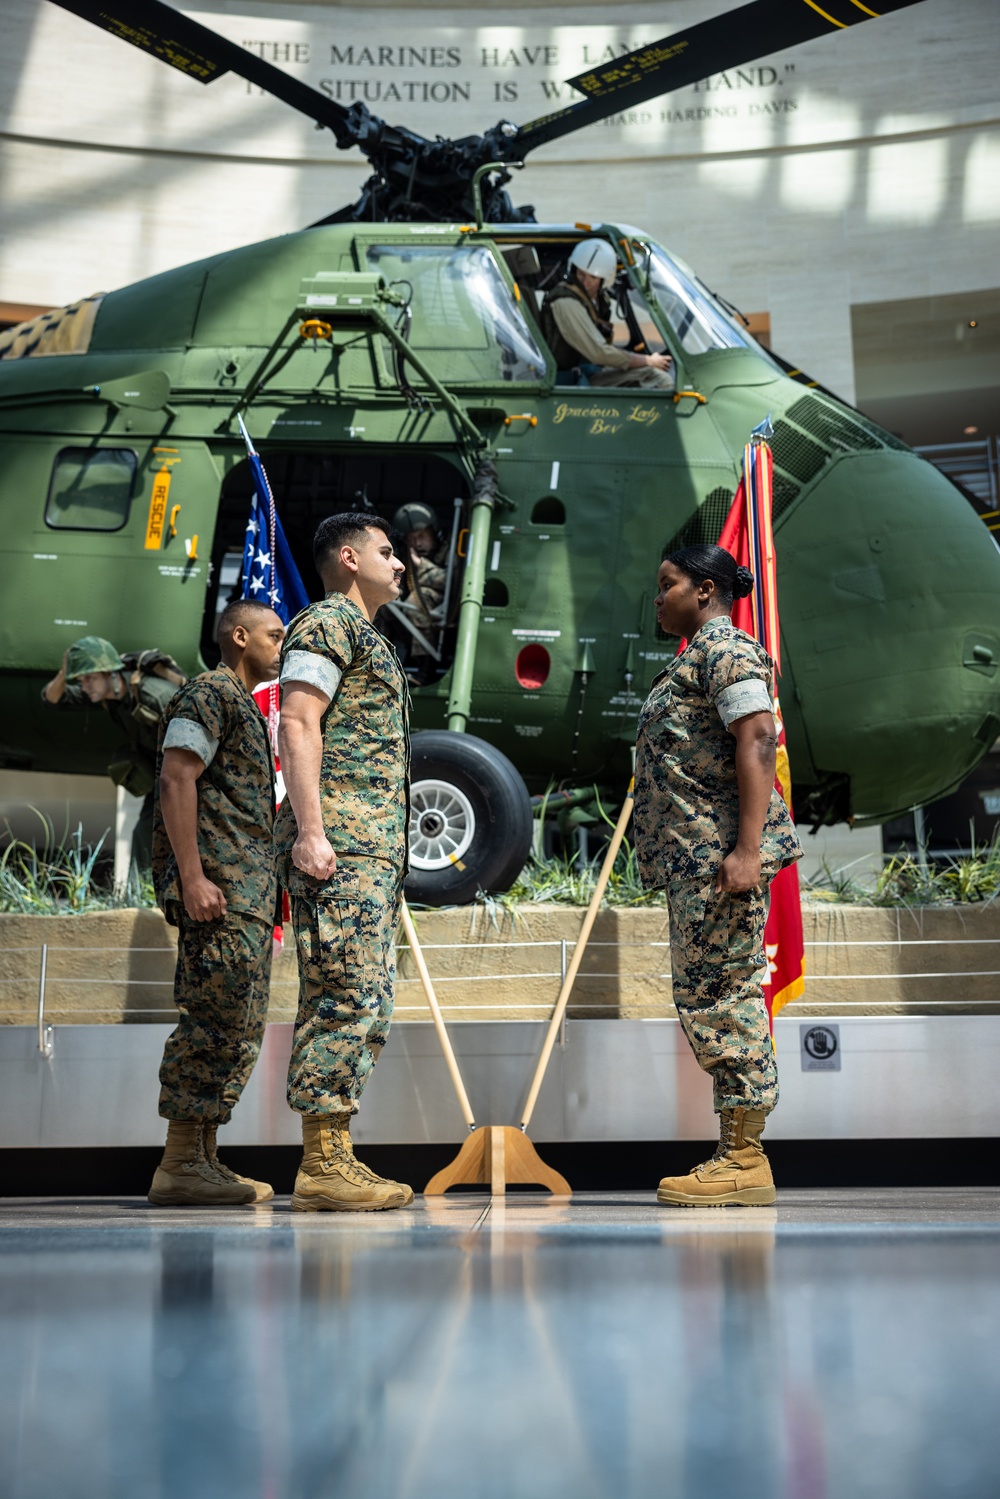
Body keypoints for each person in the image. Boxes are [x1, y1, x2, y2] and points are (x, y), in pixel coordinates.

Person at [633, 544, 802, 1207]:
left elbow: (759, 737)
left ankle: (743, 1157)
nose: (659, 596)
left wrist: (748, 850)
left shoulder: (726, 650)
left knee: (724, 997)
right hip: (696, 862)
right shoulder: (694, 658)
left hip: (721, 861)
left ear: (705, 590)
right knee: (709, 995)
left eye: (668, 583)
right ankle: (736, 1149)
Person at [275, 511, 413, 1212]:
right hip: (340, 845)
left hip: (369, 851)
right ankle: (322, 1161)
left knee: (367, 999)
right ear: (350, 558)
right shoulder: (326, 623)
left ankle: (336, 1153)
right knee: (343, 997)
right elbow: (297, 718)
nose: (402, 563)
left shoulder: (370, 639)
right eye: (388, 552)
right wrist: (311, 830)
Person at [147, 599, 286, 1207]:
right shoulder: (208, 693)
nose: (282, 645)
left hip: (247, 897)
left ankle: (202, 1159)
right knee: (211, 1021)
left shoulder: (246, 706)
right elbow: (177, 776)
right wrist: (193, 877)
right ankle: (179, 1162)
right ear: (239, 636)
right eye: (273, 634)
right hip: (218, 893)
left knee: (238, 1025)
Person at [41, 636, 183, 872]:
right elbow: (53, 700)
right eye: (80, 680)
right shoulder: (108, 695)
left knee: (146, 834)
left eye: (90, 678)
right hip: (165, 775)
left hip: (186, 775)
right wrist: (65, 672)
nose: (84, 685)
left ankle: (143, 898)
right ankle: (142, 898)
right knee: (146, 836)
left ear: (111, 673)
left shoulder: (155, 695)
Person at [540, 239, 674, 389]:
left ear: (605, 278)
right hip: (567, 379)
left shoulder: (595, 299)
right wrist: (648, 361)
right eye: (581, 274)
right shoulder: (566, 302)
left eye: (593, 277)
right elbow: (598, 353)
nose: (586, 282)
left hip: (587, 371)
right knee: (657, 379)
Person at [392, 501, 449, 681]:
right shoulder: (404, 557)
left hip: (441, 612)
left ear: (434, 532)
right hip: (410, 621)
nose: (418, 543)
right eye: (412, 539)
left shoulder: (450, 550)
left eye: (422, 536)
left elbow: (448, 581)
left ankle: (426, 671)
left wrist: (420, 565)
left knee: (417, 599)